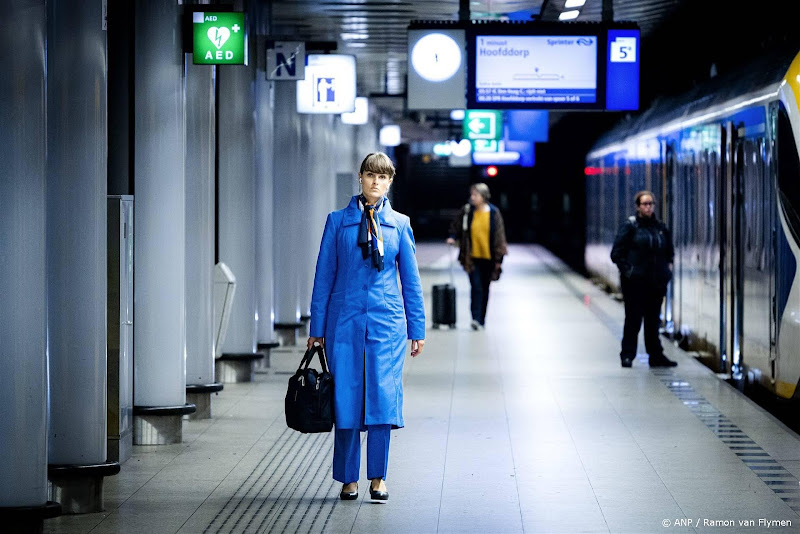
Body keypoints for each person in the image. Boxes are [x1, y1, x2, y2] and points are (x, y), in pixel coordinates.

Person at [307, 152, 426, 502]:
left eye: (383, 177)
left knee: (381, 397)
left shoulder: (400, 224)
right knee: (345, 397)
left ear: (390, 182)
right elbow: (323, 277)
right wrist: (317, 327)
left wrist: (417, 329)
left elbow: (411, 282)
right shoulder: (336, 222)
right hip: (343, 322)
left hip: (387, 324)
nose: (376, 182)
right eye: (371, 175)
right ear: (360, 177)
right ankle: (348, 479)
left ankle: (378, 477)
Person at [610, 190, 677, 368]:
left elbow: (669, 252)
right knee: (633, 320)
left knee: (653, 321)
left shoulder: (661, 228)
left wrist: (666, 272)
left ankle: (656, 356)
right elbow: (616, 254)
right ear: (638, 206)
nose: (648, 207)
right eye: (645, 204)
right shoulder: (630, 227)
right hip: (634, 284)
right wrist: (629, 272)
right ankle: (627, 355)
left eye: (650, 204)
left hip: (656, 284)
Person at [446, 183, 508, 330]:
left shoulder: (494, 213)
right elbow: (456, 225)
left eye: (475, 195)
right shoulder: (467, 211)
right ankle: (475, 318)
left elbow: (499, 236)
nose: (472, 197)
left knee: (485, 288)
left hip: (489, 258)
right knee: (476, 287)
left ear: (484, 196)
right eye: (472, 194)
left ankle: (481, 320)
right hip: (471, 257)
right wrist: (452, 237)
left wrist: (499, 259)